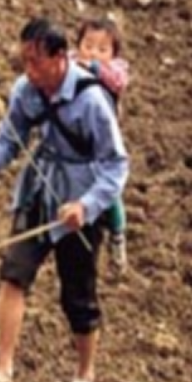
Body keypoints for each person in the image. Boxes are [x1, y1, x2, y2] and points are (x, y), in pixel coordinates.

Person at [0, 16, 129, 382]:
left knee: (78, 293)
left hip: (79, 201)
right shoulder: (26, 90)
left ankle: (85, 373)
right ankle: (3, 370)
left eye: (35, 61)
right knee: (13, 274)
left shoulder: (91, 100)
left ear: (59, 59)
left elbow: (115, 164)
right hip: (40, 193)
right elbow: (10, 137)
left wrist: (86, 207)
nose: (28, 70)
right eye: (25, 61)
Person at [73, 17, 130, 274]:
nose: (93, 53)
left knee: (109, 192)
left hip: (102, 144)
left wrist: (94, 67)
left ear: (114, 53)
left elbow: (117, 81)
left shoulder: (114, 72)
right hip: (75, 142)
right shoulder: (71, 64)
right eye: (88, 45)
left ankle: (117, 235)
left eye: (102, 49)